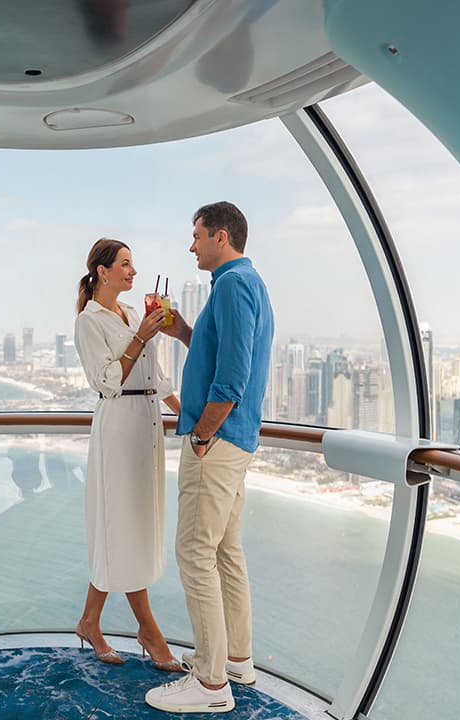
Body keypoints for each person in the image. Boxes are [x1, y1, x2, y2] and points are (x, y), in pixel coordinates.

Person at [145, 202, 274, 714]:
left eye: (195, 235)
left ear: (220, 236)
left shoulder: (234, 284)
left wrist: (201, 434)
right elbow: (217, 351)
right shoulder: (240, 284)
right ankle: (236, 661)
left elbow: (234, 375)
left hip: (217, 443)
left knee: (194, 553)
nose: (190, 245)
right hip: (232, 442)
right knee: (224, 552)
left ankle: (211, 684)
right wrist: (179, 330)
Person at [72, 237, 184, 673]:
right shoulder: (90, 321)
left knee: (129, 524)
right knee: (123, 525)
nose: (133, 272)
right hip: (118, 425)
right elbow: (105, 382)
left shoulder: (134, 313)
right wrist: (139, 337)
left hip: (146, 422)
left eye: (133, 265)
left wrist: (190, 418)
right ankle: (151, 634)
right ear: (102, 271)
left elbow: (156, 377)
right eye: (124, 264)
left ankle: (89, 621)